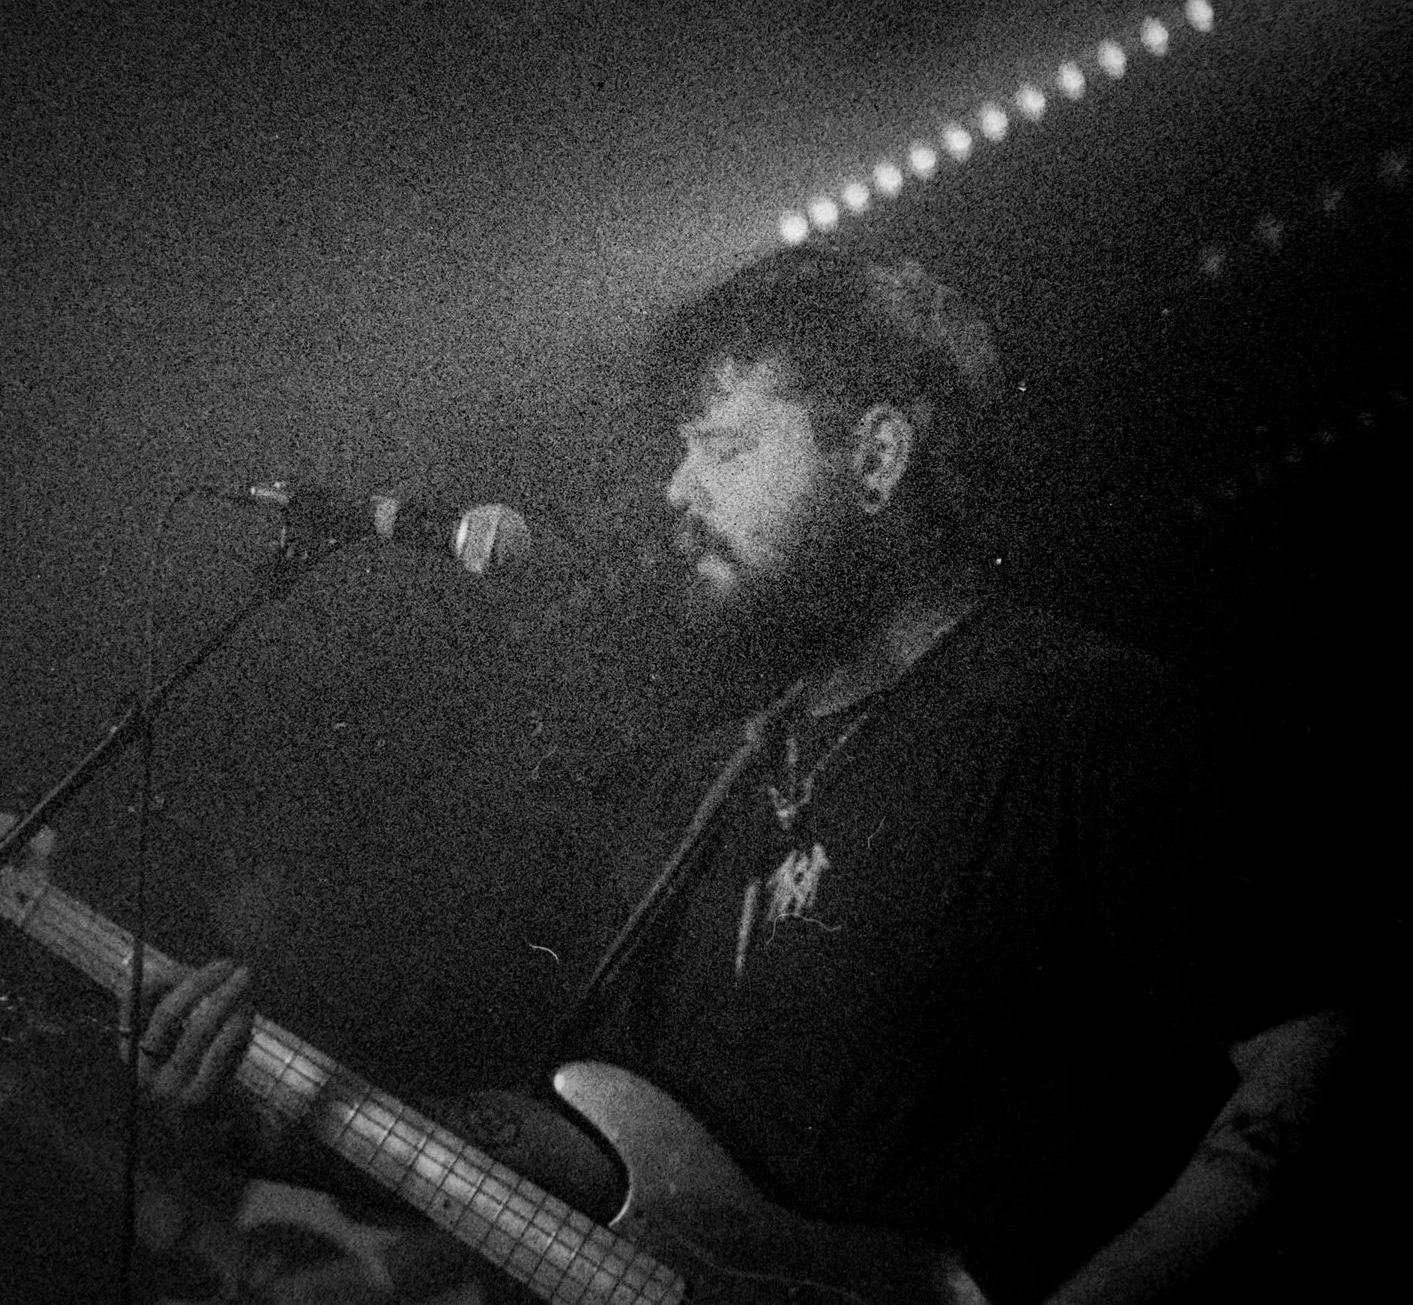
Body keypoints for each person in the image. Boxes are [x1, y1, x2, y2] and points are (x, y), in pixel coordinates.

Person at [133, 249, 1348, 1303]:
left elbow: (1306, 1041)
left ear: (876, 455)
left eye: (724, 445)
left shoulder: (1072, 714)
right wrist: (271, 1122)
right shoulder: (695, 797)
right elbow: (605, 1151)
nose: (678, 489)